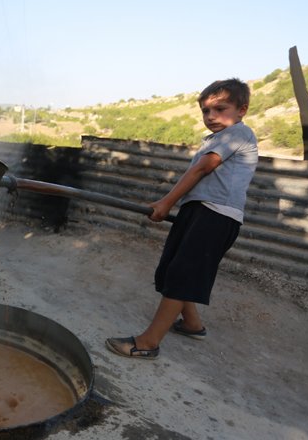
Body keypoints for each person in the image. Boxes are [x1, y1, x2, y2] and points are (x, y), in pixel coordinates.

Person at [105, 78, 258, 360]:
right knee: (172, 270)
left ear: (242, 110)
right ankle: (192, 324)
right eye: (205, 111)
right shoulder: (217, 138)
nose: (210, 116)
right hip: (198, 210)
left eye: (219, 108)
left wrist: (166, 202)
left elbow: (203, 169)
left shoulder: (239, 133)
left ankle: (148, 343)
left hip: (217, 215)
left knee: (183, 273)